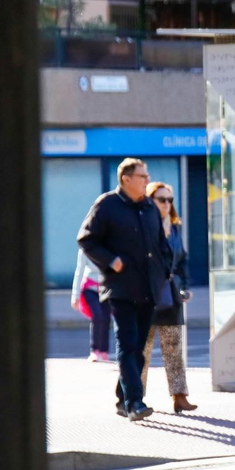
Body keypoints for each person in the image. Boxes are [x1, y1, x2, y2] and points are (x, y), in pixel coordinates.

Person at [77, 158, 174, 422]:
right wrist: (111, 261)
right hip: (120, 288)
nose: (146, 180)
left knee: (139, 347)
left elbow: (161, 245)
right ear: (126, 179)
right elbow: (86, 238)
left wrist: (165, 269)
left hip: (148, 288)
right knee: (128, 343)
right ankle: (135, 403)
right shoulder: (107, 205)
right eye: (142, 176)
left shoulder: (149, 208)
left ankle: (123, 396)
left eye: (146, 176)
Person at [139, 181, 198, 415]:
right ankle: (135, 397)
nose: (166, 204)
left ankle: (180, 396)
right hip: (146, 296)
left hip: (171, 296)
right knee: (142, 350)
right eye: (161, 199)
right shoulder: (143, 226)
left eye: (169, 200)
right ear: (150, 200)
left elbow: (181, 260)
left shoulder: (174, 228)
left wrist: (184, 286)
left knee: (174, 348)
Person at [70, 248, 113, 363]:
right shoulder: (85, 248)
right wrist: (76, 296)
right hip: (90, 288)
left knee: (106, 318)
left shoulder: (109, 245)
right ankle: (95, 350)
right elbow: (79, 271)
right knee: (97, 315)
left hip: (105, 287)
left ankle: (104, 351)